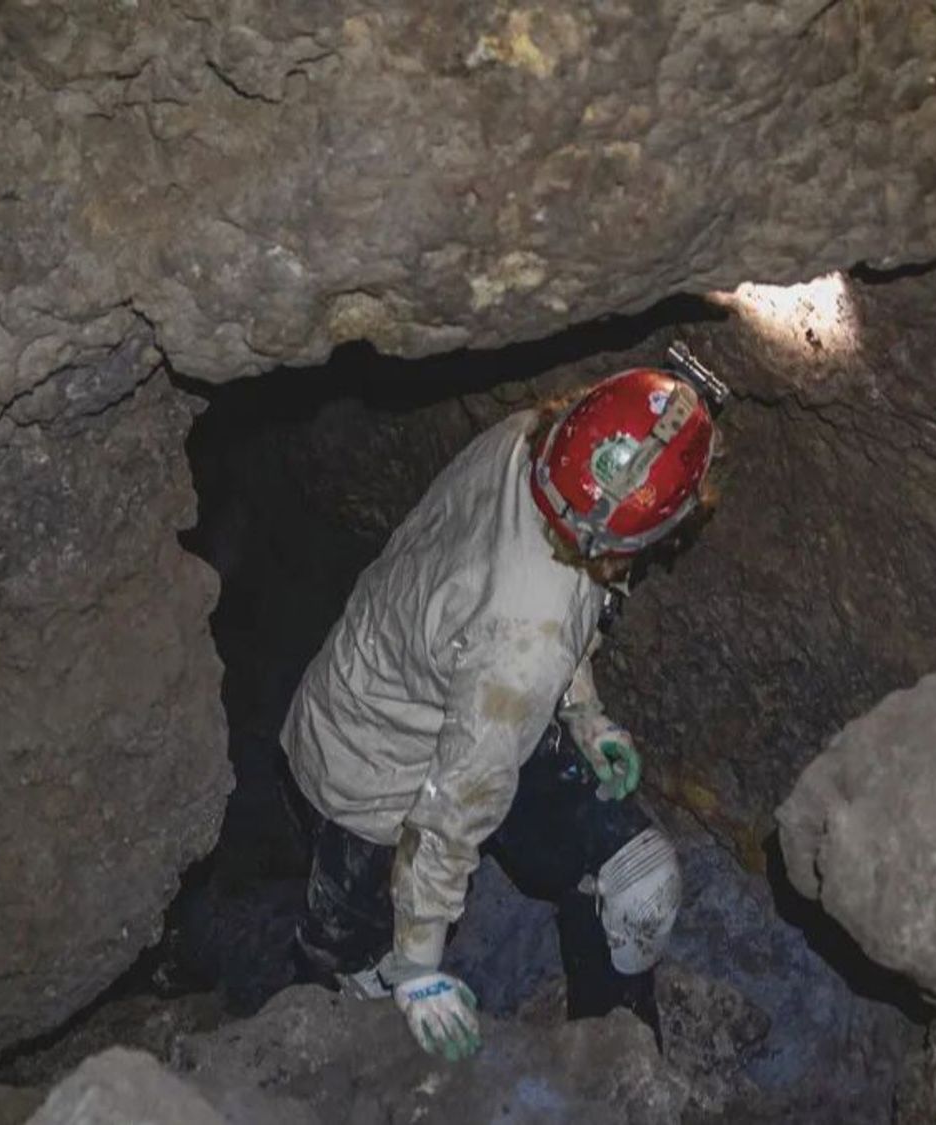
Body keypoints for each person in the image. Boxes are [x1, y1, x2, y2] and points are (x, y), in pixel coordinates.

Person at [279, 345, 727, 1061]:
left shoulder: (532, 441)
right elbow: (454, 804)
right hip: (367, 774)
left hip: (460, 690)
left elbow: (561, 598)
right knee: (349, 1002)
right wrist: (420, 968)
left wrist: (582, 712)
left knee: (637, 887)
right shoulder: (527, 639)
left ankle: (607, 1075)